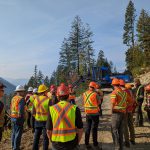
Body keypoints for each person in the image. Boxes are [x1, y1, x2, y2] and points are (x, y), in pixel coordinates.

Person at [46, 84, 83, 150]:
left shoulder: (51, 109)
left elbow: (49, 131)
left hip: (56, 144)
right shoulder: (75, 108)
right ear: (68, 96)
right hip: (72, 144)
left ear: (58, 96)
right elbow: (80, 130)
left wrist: (52, 142)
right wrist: (77, 143)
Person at [110, 78, 128, 150]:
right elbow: (130, 101)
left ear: (113, 85)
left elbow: (113, 103)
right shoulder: (124, 93)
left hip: (116, 114)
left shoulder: (114, 92)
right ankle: (121, 147)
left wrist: (111, 112)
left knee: (114, 130)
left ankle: (117, 147)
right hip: (123, 113)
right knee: (120, 131)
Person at [83, 81, 101, 149]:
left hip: (87, 113)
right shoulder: (95, 94)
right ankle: (95, 144)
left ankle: (87, 143)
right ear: (94, 87)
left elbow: (84, 102)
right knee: (94, 129)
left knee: (87, 128)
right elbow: (99, 102)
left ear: (89, 87)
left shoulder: (84, 93)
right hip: (95, 114)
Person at [32, 84, 49, 150]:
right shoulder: (48, 100)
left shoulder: (36, 99)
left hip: (37, 121)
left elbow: (33, 112)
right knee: (45, 138)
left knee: (36, 137)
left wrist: (37, 117)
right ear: (45, 92)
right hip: (46, 122)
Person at [119, 80, 135, 147]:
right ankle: (132, 139)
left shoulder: (121, 92)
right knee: (131, 125)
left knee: (125, 126)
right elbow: (133, 100)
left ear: (119, 85)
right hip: (130, 110)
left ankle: (127, 141)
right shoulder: (130, 91)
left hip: (124, 111)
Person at [10, 85, 26, 150]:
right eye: (23, 91)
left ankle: (13, 146)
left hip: (13, 117)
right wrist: (23, 118)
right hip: (18, 118)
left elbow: (11, 108)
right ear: (21, 91)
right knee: (18, 134)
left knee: (13, 132)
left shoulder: (13, 98)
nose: (24, 93)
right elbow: (21, 110)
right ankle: (16, 148)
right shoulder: (21, 99)